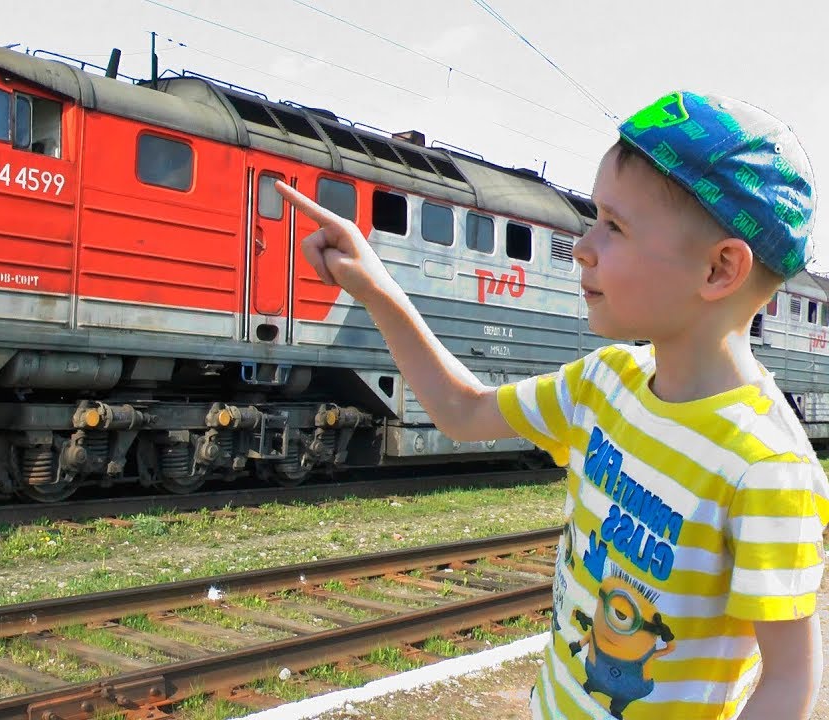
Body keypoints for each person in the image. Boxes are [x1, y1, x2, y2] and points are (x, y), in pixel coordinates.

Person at [276, 90, 829, 719]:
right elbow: (463, 412)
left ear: (719, 269)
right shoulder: (604, 383)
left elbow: (788, 681)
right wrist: (376, 288)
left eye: (614, 226)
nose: (583, 246)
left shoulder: (766, 471)